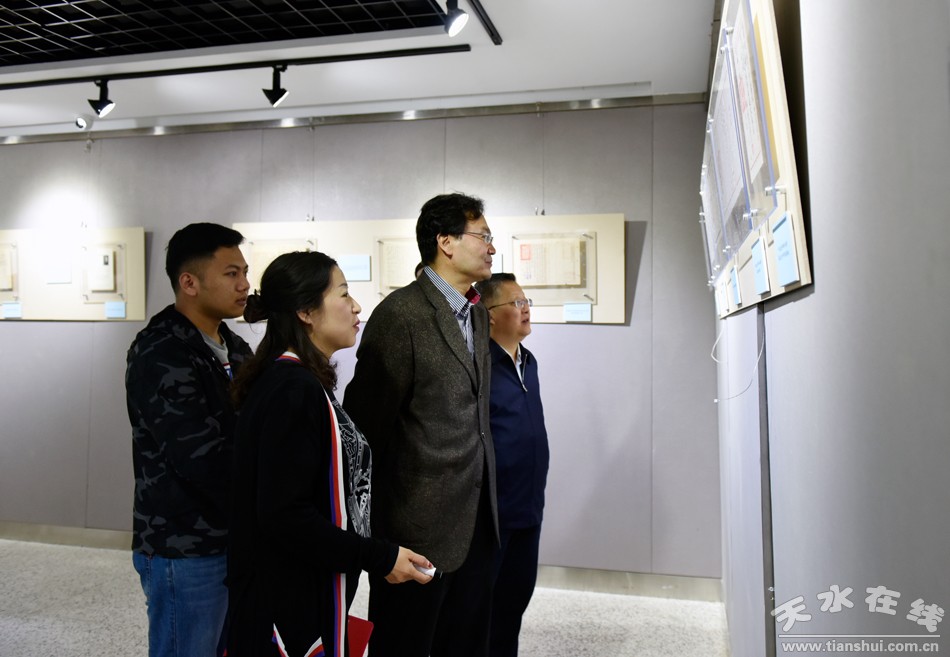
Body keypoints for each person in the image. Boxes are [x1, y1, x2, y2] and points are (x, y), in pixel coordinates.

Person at [226, 251, 433, 657]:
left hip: (302, 591)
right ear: (306, 312)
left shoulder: (300, 382)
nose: (356, 307)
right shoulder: (293, 390)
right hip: (289, 606)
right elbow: (286, 515)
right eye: (343, 294)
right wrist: (379, 556)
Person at [344, 192, 499, 657]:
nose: (492, 247)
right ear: (446, 241)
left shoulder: (477, 313)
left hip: (476, 520)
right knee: (405, 644)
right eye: (483, 236)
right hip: (415, 529)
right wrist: (380, 539)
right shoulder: (401, 315)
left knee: (465, 643)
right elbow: (368, 428)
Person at [126, 222, 253, 657]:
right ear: (189, 282)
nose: (244, 285)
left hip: (233, 536)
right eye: (231, 273)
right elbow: (199, 458)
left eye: (244, 272)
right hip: (185, 546)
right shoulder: (161, 351)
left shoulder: (234, 347)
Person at [475, 273, 550, 657]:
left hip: (528, 508)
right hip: (493, 517)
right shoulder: (480, 367)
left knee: (514, 605)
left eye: (526, 302)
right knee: (484, 614)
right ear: (490, 314)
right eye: (515, 303)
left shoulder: (528, 361)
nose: (525, 309)